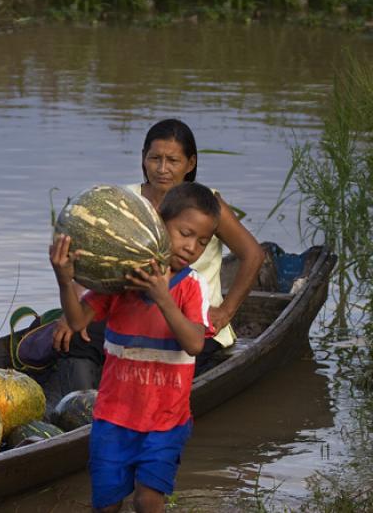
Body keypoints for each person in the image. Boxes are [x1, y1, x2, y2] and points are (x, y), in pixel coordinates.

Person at [48, 119, 263, 403]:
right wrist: (72, 298)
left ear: (190, 163)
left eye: (173, 160)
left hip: (191, 318)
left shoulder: (205, 206)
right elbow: (90, 262)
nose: (163, 169)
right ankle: (81, 411)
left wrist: (224, 312)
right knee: (75, 338)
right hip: (131, 310)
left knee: (168, 357)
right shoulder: (124, 201)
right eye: (155, 159)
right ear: (143, 159)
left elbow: (253, 255)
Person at [50, 182, 221, 513]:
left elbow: (195, 343)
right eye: (184, 233)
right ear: (158, 224)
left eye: (202, 241)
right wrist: (64, 280)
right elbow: (76, 321)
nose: (191, 247)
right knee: (107, 504)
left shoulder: (191, 286)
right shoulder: (120, 282)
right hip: (113, 419)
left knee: (148, 500)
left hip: (166, 421)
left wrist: (163, 298)